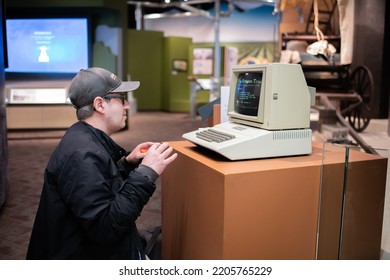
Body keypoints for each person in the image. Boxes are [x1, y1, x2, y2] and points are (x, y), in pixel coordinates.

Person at [26, 67, 177, 260]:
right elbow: (106, 228)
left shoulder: (85, 138)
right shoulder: (82, 155)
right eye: (121, 99)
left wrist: (125, 164)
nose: (127, 106)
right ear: (100, 104)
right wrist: (146, 173)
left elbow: (99, 186)